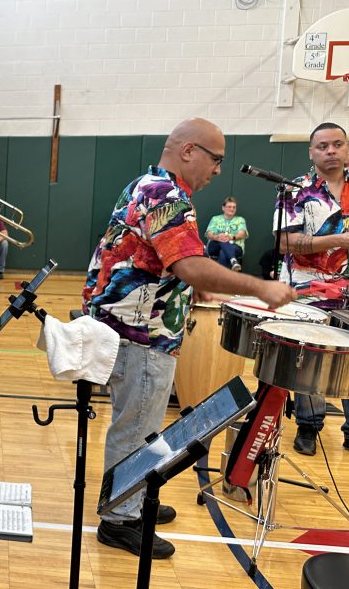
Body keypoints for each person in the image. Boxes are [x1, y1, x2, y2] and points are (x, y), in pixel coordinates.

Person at [84, 117, 296, 560]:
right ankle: (120, 520)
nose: (218, 170)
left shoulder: (151, 186)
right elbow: (188, 265)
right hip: (140, 332)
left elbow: (164, 260)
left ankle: (133, 498)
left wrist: (194, 285)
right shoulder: (166, 194)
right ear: (188, 151)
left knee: (143, 426)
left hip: (138, 327)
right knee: (136, 425)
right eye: (216, 159)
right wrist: (261, 288)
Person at [276, 121, 349, 458]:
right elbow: (284, 243)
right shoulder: (295, 190)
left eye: (338, 144)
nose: (331, 151)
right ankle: (308, 425)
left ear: (348, 148)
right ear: (311, 152)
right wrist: (340, 239)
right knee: (307, 363)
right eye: (323, 146)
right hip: (309, 294)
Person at [205, 196, 247, 270]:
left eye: (234, 207)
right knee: (223, 241)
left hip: (235, 247)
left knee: (223, 252)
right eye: (229, 206)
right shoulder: (215, 219)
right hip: (215, 246)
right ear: (223, 208)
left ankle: (219, 276)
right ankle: (233, 261)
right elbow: (209, 234)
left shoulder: (240, 220)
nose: (232, 209)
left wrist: (231, 237)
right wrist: (217, 237)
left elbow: (242, 233)